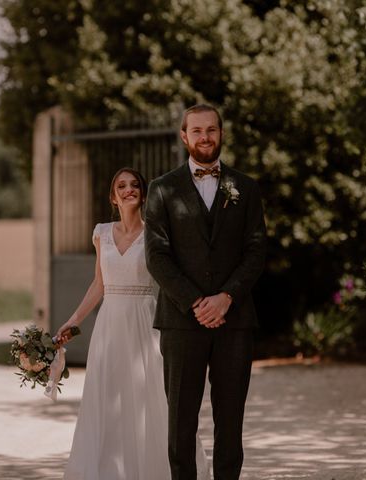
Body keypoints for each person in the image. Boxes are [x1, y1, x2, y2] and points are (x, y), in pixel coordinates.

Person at [56, 167, 210, 480]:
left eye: (135, 185)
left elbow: (171, 277)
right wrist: (71, 323)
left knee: (155, 397)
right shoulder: (101, 232)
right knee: (109, 397)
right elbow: (98, 285)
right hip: (110, 325)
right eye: (122, 186)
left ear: (142, 194)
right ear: (113, 197)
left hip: (145, 322)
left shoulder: (156, 231)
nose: (129, 189)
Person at [145, 104, 267, 480]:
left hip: (235, 321)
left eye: (211, 130)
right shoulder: (161, 189)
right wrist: (197, 303)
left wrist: (227, 297)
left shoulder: (245, 188)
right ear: (184, 136)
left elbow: (256, 249)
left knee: (230, 420)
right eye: (196, 131)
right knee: (181, 422)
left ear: (221, 133)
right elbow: (156, 256)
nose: (204, 138)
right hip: (182, 322)